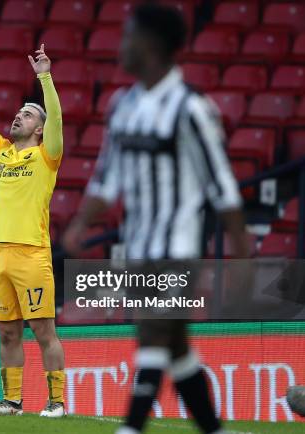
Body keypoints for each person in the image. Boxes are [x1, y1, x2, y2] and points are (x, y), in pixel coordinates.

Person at [62, 4, 250, 434]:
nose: (121, 46)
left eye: (128, 37)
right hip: (138, 247)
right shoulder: (122, 105)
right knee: (175, 348)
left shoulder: (190, 108)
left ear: (152, 45)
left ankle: (130, 427)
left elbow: (221, 182)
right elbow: (107, 178)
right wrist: (79, 225)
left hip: (178, 247)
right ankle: (215, 431)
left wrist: (240, 248)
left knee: (152, 336)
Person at [0, 44, 67, 418]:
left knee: (44, 332)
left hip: (32, 254)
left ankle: (56, 402)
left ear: (39, 129)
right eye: (18, 112)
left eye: (26, 115)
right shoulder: (2, 153)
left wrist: (45, 76)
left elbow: (56, 115)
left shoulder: (47, 155)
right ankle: (11, 401)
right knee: (8, 333)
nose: (17, 117)